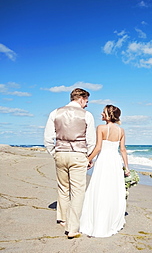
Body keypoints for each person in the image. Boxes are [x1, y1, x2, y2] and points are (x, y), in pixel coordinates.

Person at [44, 88, 96, 239]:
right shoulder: (87, 115)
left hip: (60, 153)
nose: (86, 104)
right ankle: (72, 228)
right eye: (86, 101)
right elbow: (91, 140)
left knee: (63, 187)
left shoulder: (55, 112)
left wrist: (54, 153)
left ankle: (63, 218)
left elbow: (48, 138)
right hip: (78, 154)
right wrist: (89, 158)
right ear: (81, 98)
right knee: (78, 190)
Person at [79, 104, 130, 238]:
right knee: (113, 190)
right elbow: (123, 150)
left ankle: (98, 221)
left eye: (103, 112)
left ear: (108, 115)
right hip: (115, 162)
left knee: (100, 188)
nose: (101, 114)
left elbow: (98, 148)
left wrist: (87, 159)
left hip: (104, 161)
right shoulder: (121, 131)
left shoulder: (101, 128)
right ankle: (110, 220)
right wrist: (126, 167)